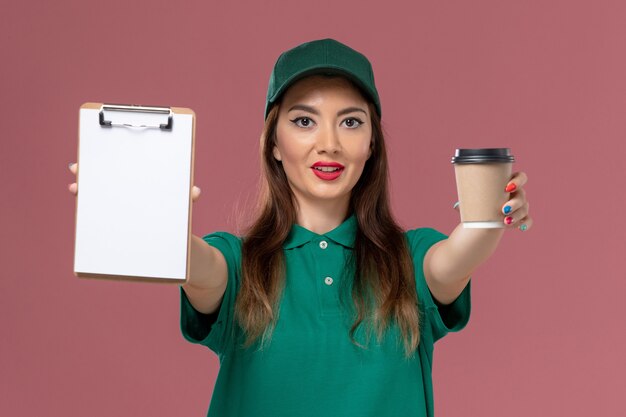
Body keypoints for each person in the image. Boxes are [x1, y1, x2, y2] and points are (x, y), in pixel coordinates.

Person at [68, 38, 532, 417]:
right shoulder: (236, 263)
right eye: (304, 121)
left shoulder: (411, 260)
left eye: (350, 122)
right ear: (274, 142)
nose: (328, 144)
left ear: (371, 143)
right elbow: (192, 263)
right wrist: (142, 207)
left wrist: (494, 213)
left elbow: (464, 248)